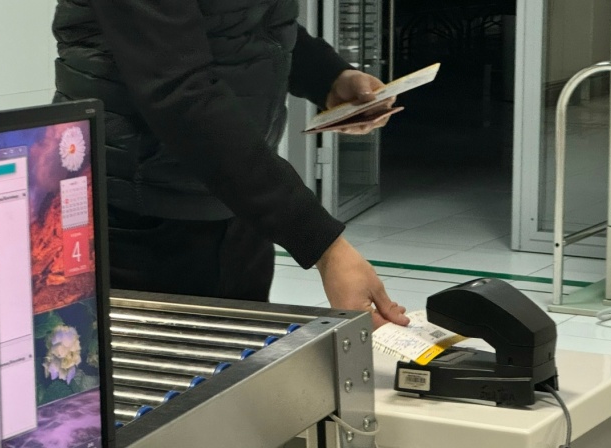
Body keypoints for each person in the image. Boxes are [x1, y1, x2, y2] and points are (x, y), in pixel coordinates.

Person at [52, 0, 409, 328]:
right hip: (135, 211)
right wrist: (324, 246)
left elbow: (247, 21)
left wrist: (329, 77)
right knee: (144, 366)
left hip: (238, 195)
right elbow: (179, 93)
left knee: (241, 359)